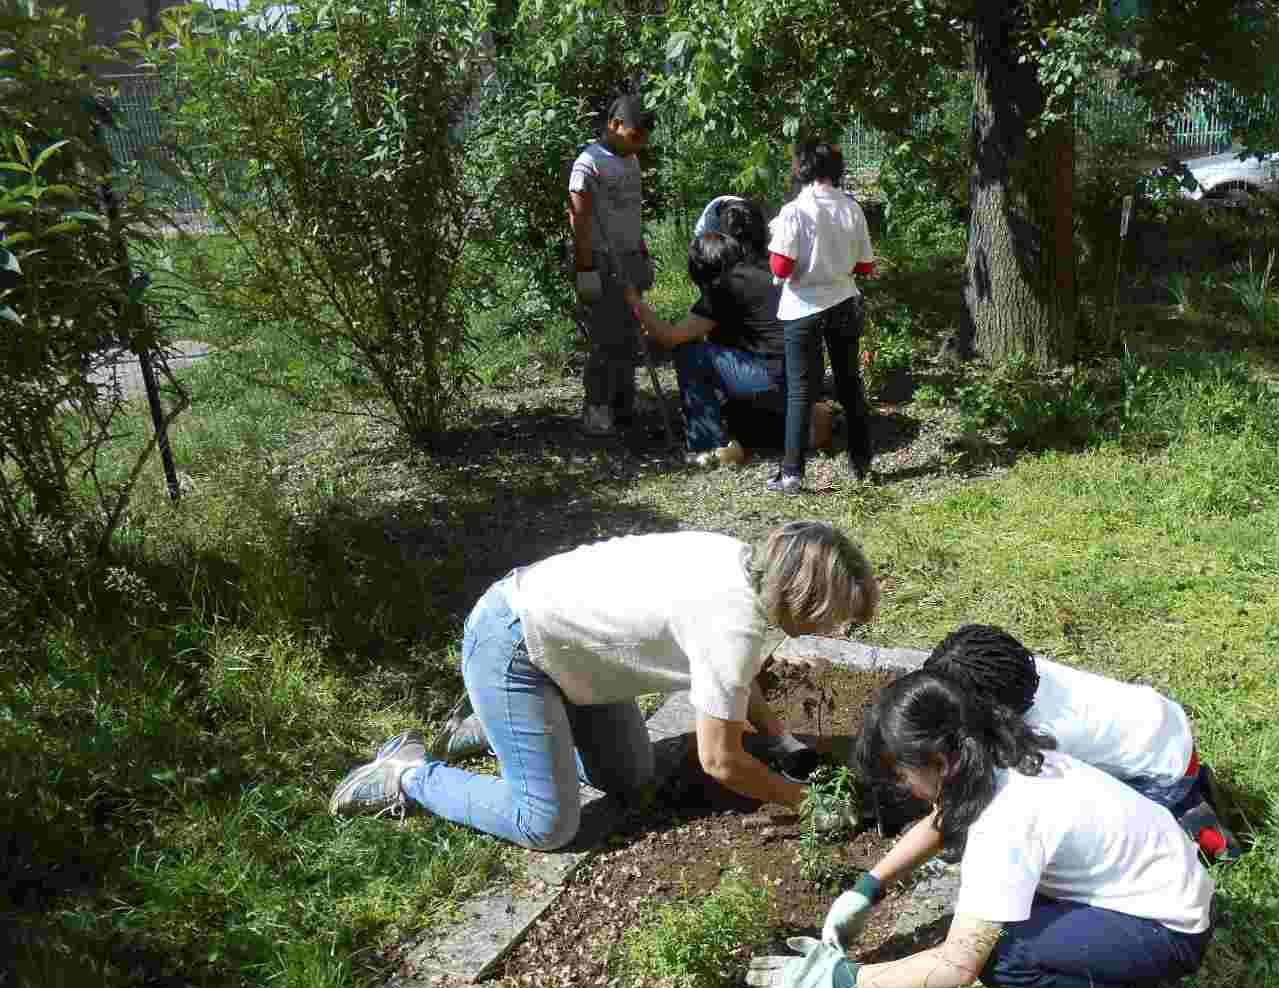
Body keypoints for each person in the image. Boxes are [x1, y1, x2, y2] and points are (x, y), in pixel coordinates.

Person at [746, 671, 1215, 988]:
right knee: (995, 923)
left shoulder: (1006, 824)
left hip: (1169, 929)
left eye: (905, 773)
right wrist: (869, 886)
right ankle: (1114, 981)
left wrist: (846, 980)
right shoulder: (1001, 754)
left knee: (1002, 956)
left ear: (939, 762)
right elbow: (944, 820)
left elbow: (958, 965)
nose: (906, 786)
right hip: (1167, 881)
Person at [329, 523, 878, 850]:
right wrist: (805, 802)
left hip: (578, 662)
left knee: (630, 777)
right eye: (834, 617)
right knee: (545, 824)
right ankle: (407, 773)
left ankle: (498, 724)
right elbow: (720, 762)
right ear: (801, 597)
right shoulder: (730, 621)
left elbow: (737, 676)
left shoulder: (751, 568)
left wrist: (780, 739)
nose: (838, 630)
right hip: (513, 644)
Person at [922, 624, 1240, 859]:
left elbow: (1020, 804)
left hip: (1161, 772)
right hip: (1163, 728)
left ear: (989, 708)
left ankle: (1200, 833)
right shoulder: (1016, 676)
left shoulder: (1044, 737)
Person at [627, 202, 784, 467]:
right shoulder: (759, 273)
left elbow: (671, 338)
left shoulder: (723, 289)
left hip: (768, 375)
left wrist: (634, 302)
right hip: (797, 374)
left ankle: (708, 443)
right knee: (711, 350)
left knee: (689, 353)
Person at [766, 140, 875, 496]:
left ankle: (792, 473)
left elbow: (781, 266)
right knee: (849, 384)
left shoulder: (794, 211)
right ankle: (862, 464)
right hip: (843, 300)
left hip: (803, 307)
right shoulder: (851, 208)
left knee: (801, 390)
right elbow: (865, 265)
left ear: (803, 168)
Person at [569, 94, 657, 438]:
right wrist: (586, 268)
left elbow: (632, 211)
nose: (640, 143)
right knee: (604, 338)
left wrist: (642, 252)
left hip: (631, 257)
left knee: (629, 336)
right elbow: (579, 217)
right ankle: (597, 408)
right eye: (635, 135)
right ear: (614, 125)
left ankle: (624, 401)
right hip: (603, 261)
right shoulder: (588, 164)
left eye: (643, 138)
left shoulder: (630, 158)